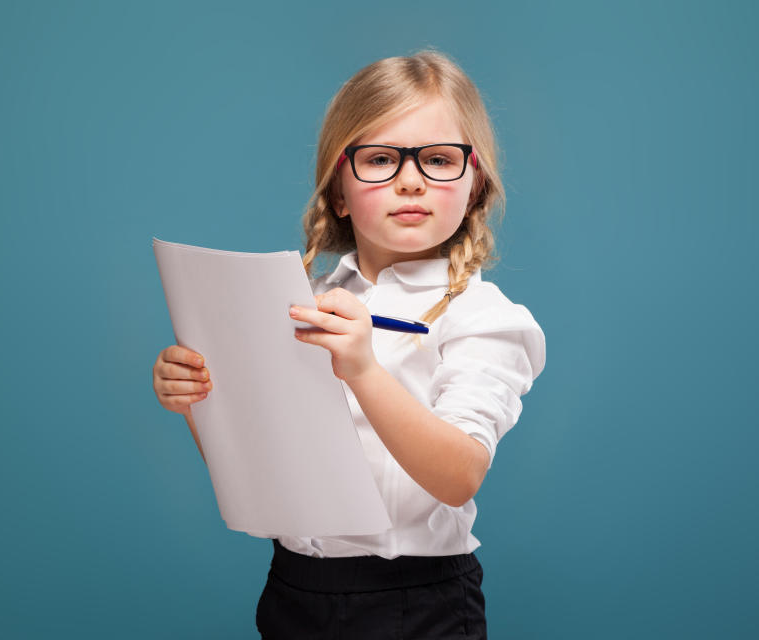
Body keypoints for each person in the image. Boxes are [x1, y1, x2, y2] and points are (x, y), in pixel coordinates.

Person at [151, 49, 546, 639]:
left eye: (438, 159)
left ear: (474, 185)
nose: (410, 179)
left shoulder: (484, 317)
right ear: (339, 190)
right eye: (381, 159)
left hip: (417, 601)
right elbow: (263, 472)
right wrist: (199, 401)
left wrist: (363, 370)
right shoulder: (301, 300)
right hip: (294, 590)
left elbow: (459, 476)